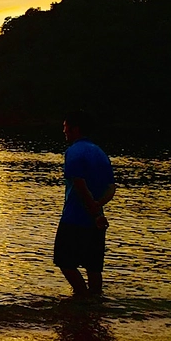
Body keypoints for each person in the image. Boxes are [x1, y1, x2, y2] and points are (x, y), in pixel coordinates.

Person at [53, 109, 116, 297]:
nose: (64, 131)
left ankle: (82, 296)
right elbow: (111, 188)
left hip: (75, 219)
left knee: (64, 261)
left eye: (66, 127)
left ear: (75, 129)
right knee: (93, 266)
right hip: (96, 221)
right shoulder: (100, 153)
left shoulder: (73, 152)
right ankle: (94, 301)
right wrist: (98, 206)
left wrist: (92, 209)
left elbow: (79, 184)